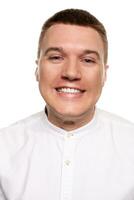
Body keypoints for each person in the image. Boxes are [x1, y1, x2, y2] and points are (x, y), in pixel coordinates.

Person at [0, 8, 134, 200]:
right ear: (37, 69)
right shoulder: (3, 148)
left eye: (87, 60)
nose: (71, 73)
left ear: (104, 74)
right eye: (56, 57)